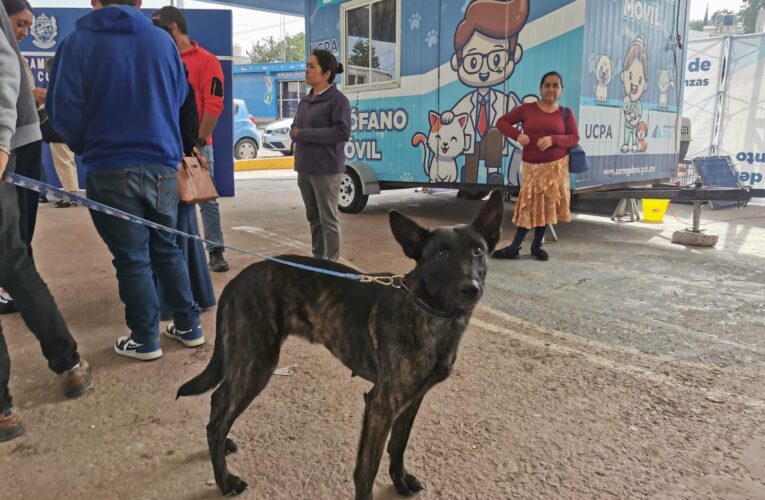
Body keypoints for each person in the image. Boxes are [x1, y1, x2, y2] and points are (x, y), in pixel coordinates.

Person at [46, 0, 204, 361]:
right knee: (167, 246)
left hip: (110, 165)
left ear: (94, 1)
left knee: (132, 257)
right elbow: (180, 96)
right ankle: (189, 325)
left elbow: (63, 108)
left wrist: (86, 145)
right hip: (163, 165)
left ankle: (146, 338)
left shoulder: (77, 41)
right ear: (139, 2)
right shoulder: (163, 41)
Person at [0, 4, 91, 443]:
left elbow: (4, 78)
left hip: (11, 154)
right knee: (18, 266)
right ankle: (68, 365)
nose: (22, 34)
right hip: (13, 153)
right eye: (20, 26)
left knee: (16, 263)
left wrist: (1, 148)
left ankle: (7, 406)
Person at [152, 6, 229, 273]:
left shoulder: (207, 60)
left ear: (172, 27)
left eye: (157, 26)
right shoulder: (158, 58)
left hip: (194, 144)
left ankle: (215, 249)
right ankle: (174, 252)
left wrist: (198, 141)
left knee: (206, 198)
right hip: (161, 144)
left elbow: (214, 104)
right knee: (165, 201)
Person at [492, 71, 579, 261]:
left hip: (556, 169)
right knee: (528, 207)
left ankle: (536, 246)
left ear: (561, 90)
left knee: (546, 207)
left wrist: (553, 139)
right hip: (533, 168)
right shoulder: (527, 109)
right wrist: (518, 136)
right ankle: (514, 247)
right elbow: (502, 122)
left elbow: (574, 138)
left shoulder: (565, 113)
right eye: (547, 85)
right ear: (540, 88)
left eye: (556, 85)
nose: (551, 89)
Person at [289, 49, 351, 262]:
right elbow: (293, 129)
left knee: (328, 219)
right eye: (307, 66)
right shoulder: (306, 101)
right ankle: (318, 257)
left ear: (327, 74)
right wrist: (297, 133)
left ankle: (331, 262)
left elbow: (342, 132)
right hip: (305, 168)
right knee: (313, 217)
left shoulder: (338, 101)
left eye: (312, 66)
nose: (306, 70)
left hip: (326, 169)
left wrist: (303, 134)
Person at [0, 0, 41, 315]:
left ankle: (15, 285)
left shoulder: (13, 53)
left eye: (29, 25)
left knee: (19, 224)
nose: (26, 31)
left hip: (20, 145)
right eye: (21, 23)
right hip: (13, 146)